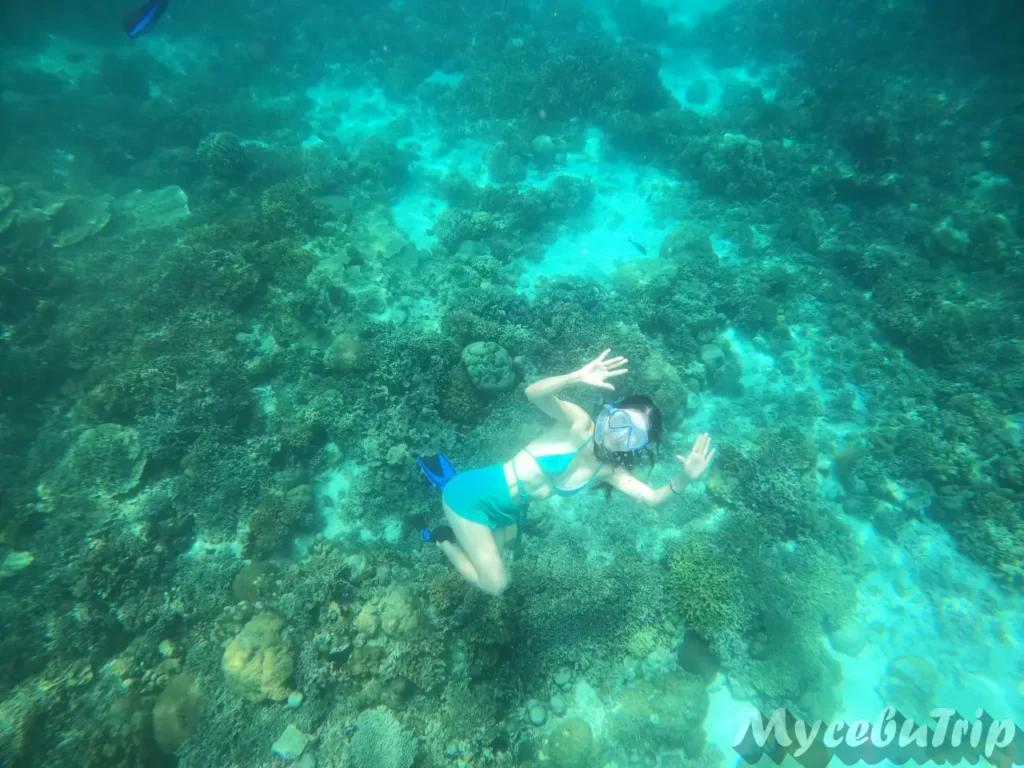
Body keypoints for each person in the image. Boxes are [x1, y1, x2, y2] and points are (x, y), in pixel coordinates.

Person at [419, 349, 715, 596]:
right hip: (472, 496)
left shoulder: (609, 471)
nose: (619, 436)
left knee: (503, 556)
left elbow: (652, 499)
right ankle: (442, 538)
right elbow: (533, 394)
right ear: (611, 412)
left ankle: (455, 492)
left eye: (633, 436)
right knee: (496, 585)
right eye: (621, 421)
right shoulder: (578, 424)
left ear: (637, 446)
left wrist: (685, 478)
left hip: (506, 512)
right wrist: (577, 377)